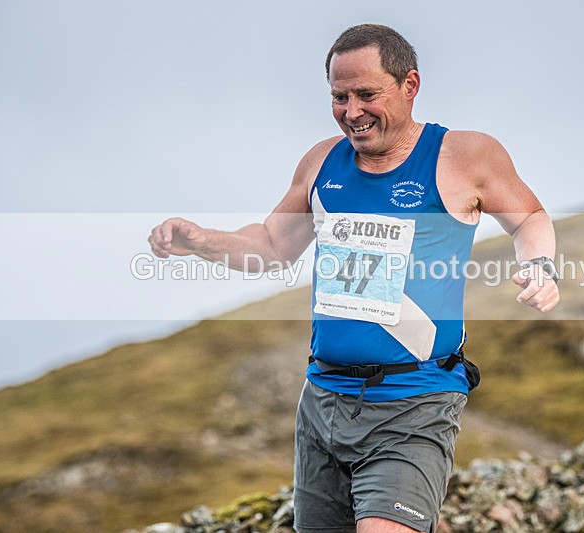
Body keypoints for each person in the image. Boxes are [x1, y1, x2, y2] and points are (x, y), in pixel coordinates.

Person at [149, 23, 559, 533]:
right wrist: (199, 240)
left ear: (410, 85)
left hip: (414, 403)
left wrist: (538, 264)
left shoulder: (463, 157)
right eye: (339, 97)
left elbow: (530, 218)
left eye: (367, 94)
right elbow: (274, 247)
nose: (351, 112)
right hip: (322, 403)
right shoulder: (322, 162)